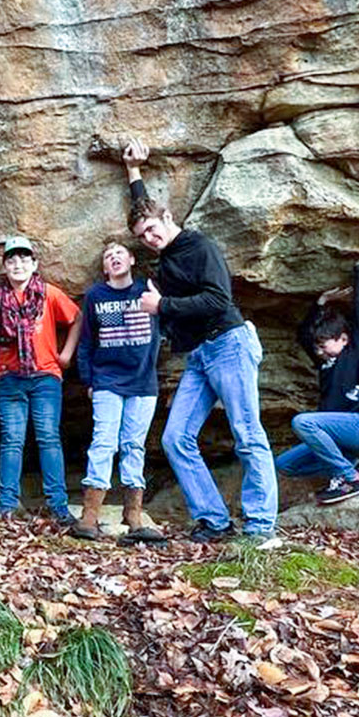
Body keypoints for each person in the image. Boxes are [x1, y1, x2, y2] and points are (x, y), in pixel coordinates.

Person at [123, 140, 278, 544]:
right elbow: (144, 207)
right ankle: (214, 520)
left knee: (247, 433)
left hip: (229, 343)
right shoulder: (162, 242)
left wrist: (162, 306)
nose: (150, 239)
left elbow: (217, 300)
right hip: (200, 355)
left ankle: (260, 528)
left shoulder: (199, 247)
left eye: (154, 230)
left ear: (170, 218)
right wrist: (134, 174)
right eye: (143, 237)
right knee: (175, 439)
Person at [0, 236, 79, 522]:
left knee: (48, 438)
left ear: (35, 263)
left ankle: (58, 505)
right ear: (4, 266)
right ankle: (7, 503)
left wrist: (66, 353)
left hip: (45, 376)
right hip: (9, 378)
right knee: (11, 440)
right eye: (12, 260)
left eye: (24, 259)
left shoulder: (48, 294)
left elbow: (76, 318)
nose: (18, 264)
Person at [72, 240, 164, 542]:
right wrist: (89, 380)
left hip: (143, 382)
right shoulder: (96, 296)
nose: (114, 258)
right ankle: (90, 515)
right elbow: (87, 342)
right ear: (103, 267)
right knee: (103, 442)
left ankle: (133, 513)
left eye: (119, 254)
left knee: (134, 445)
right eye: (108, 256)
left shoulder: (147, 290)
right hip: (107, 381)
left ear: (132, 259)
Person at [276, 257, 359, 505]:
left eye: (323, 345)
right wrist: (321, 303)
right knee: (285, 465)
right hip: (342, 436)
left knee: (303, 423)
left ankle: (351, 477)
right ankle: (352, 463)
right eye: (317, 348)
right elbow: (305, 337)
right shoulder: (325, 363)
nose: (318, 352)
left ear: (344, 339)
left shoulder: (358, 350)